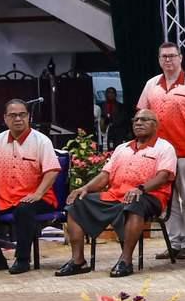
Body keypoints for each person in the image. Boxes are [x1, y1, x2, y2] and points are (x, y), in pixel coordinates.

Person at [55, 110, 176, 278]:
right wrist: (85, 188)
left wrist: (141, 189)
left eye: (144, 120)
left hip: (149, 196)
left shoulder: (164, 147)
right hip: (115, 195)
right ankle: (78, 261)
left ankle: (125, 260)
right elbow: (105, 175)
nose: (138, 123)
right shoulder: (122, 148)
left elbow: (163, 176)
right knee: (76, 202)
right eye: (136, 120)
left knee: (135, 204)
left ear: (156, 125)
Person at [0, 98, 61, 274]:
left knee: (24, 209)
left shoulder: (41, 141)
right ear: (5, 118)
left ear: (29, 117)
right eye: (13, 115)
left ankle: (22, 260)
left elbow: (52, 171)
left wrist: (38, 193)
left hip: (37, 198)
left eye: (22, 115)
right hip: (6, 199)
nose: (18, 119)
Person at [136, 41, 185, 261]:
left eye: (172, 56)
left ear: (180, 58)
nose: (168, 60)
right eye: (164, 56)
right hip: (159, 156)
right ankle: (174, 243)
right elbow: (142, 117)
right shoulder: (151, 84)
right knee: (168, 202)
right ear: (159, 60)